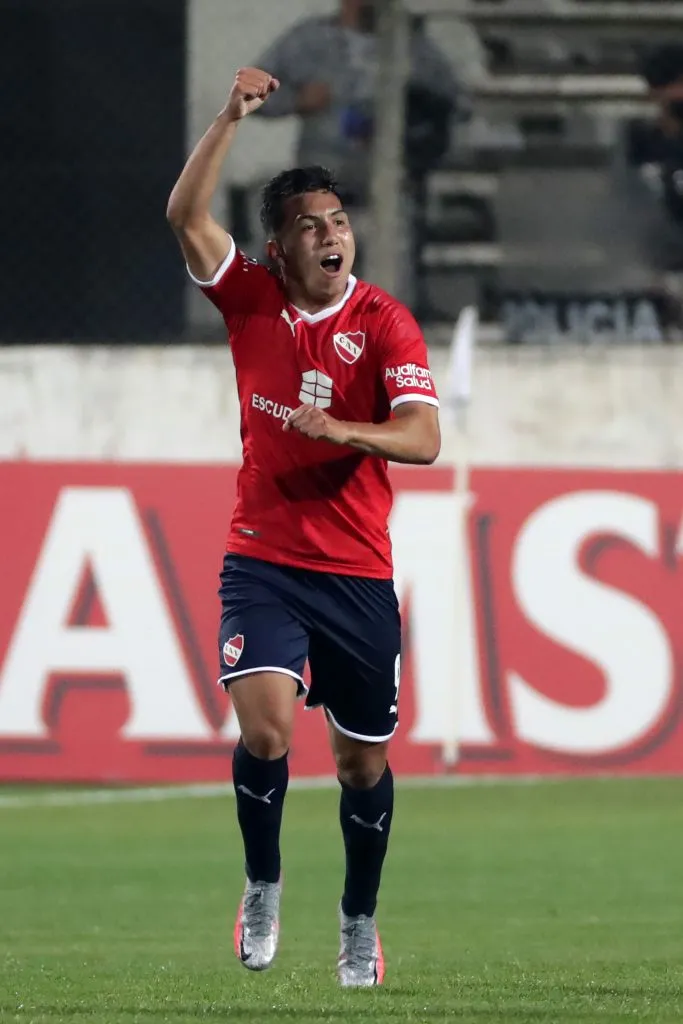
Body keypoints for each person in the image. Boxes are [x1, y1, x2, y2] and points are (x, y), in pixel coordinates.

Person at [166, 67, 440, 988]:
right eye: (310, 228)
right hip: (264, 561)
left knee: (363, 767)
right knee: (269, 733)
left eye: (338, 223)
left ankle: (358, 920)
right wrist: (230, 116)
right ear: (278, 249)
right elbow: (185, 214)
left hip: (358, 574)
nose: (332, 237)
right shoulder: (249, 300)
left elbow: (424, 437)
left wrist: (344, 431)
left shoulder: (385, 323)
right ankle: (262, 882)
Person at [252, 0, 461, 309]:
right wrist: (297, 99)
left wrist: (413, 115)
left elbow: (455, 99)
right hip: (320, 182)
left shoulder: (408, 45)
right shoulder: (310, 40)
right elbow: (252, 93)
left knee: (394, 257)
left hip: (386, 184)